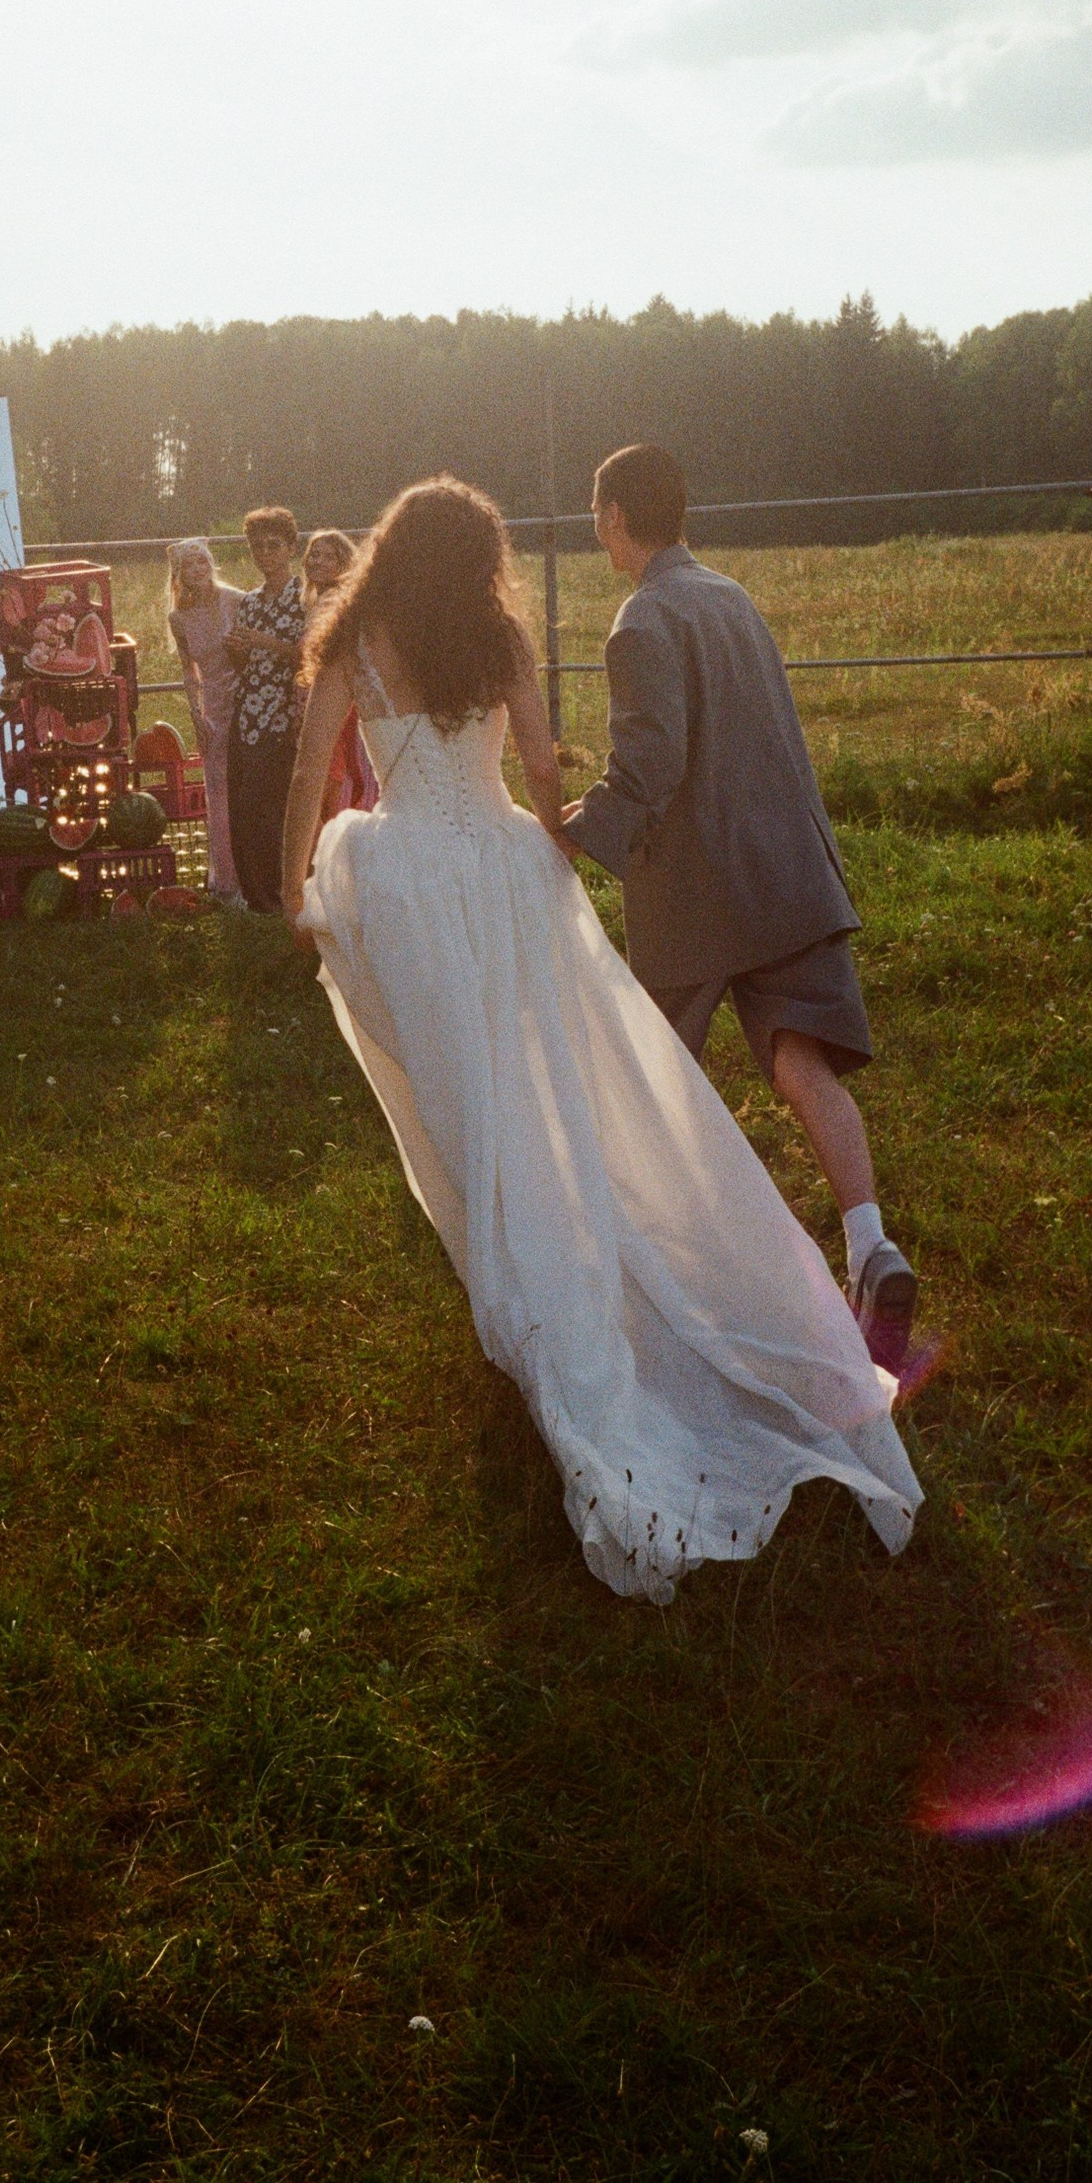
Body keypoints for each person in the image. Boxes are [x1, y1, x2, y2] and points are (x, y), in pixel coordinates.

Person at [282, 478, 919, 1604]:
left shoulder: (355, 638)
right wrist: (556, 848)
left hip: (407, 879)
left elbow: (305, 771)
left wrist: (294, 886)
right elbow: (540, 769)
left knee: (465, 1099)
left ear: (390, 546)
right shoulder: (498, 637)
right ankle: (557, 1274)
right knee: (542, 1085)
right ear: (479, 556)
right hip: (501, 870)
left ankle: (526, 1299)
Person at [558, 444, 918, 1371]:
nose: (596, 530)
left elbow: (652, 759)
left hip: (698, 894)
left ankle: (678, 1275)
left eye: (596, 514)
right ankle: (871, 1246)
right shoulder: (733, 597)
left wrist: (577, 831)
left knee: (654, 1075)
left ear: (615, 516)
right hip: (787, 873)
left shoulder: (642, 620)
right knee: (804, 1062)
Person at [222, 506, 307, 914]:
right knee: (244, 803)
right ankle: (255, 896)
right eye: (257, 547)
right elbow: (245, 663)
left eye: (273, 546)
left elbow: (310, 654)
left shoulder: (303, 597)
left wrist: (264, 642)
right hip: (248, 709)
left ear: (291, 548)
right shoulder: (250, 602)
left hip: (284, 711)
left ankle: (281, 894)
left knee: (272, 803)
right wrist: (237, 650)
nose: (265, 554)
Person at [167, 538, 246, 900]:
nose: (197, 570)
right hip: (212, 706)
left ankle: (258, 877)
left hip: (245, 699)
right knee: (218, 793)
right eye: (189, 565)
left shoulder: (236, 600)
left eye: (202, 562)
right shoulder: (178, 618)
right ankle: (228, 882)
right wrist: (194, 714)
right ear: (178, 574)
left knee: (249, 787)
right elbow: (189, 670)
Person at [301, 528, 378, 818]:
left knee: (339, 780)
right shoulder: (313, 603)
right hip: (311, 700)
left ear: (344, 564)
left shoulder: (340, 604)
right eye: (314, 555)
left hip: (340, 706)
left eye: (329, 557)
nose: (318, 562)